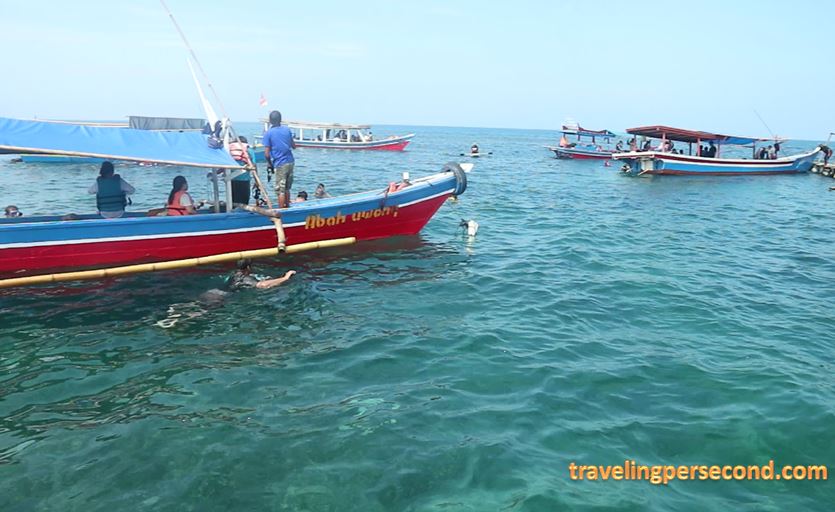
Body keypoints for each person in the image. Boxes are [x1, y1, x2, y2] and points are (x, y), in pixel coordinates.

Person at [263, 110, 296, 208]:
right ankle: (287, 207)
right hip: (290, 161)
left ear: (270, 121)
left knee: (280, 190)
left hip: (280, 163)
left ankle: (282, 211)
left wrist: (270, 164)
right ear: (280, 119)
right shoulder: (287, 130)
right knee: (287, 188)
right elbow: (293, 146)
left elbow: (267, 154)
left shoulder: (268, 133)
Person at [229, 259, 296, 290]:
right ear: (248, 267)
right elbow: (262, 285)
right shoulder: (245, 278)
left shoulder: (233, 275)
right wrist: (285, 278)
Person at [229, 136, 253, 206]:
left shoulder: (230, 150)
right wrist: (257, 183)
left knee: (234, 201)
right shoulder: (249, 150)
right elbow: (253, 165)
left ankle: (233, 210)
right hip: (244, 180)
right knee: (244, 202)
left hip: (232, 179)